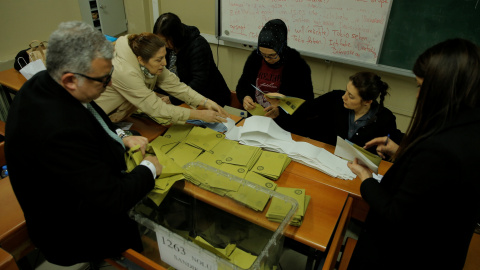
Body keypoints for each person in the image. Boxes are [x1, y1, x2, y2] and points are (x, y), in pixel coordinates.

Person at [5, 21, 163, 266]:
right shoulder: (58, 130)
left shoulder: (49, 83)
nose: (109, 84)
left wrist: (122, 137)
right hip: (70, 232)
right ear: (70, 79)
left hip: (73, 197)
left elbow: (92, 112)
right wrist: (150, 168)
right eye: (103, 79)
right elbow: (113, 198)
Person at [346, 39, 480, 269]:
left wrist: (366, 178)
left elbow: (395, 215)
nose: (418, 96)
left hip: (405, 255)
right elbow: (433, 185)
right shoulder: (469, 127)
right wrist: (401, 152)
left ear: (444, 89)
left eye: (421, 87)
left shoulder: (440, 150)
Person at [95, 32, 228, 125]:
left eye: (165, 56)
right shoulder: (124, 72)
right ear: (141, 60)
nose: (164, 63)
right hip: (98, 119)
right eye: (159, 59)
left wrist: (205, 102)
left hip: (118, 116)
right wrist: (199, 115)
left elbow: (177, 86)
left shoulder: (147, 60)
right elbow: (156, 108)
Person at [279, 71, 403, 153]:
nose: (344, 97)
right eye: (346, 91)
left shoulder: (385, 119)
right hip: (323, 158)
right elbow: (305, 109)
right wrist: (281, 104)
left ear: (367, 101)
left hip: (355, 172)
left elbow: (393, 146)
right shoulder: (335, 99)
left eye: (351, 96)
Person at [235, 18, 314, 131]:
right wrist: (245, 97)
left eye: (272, 55)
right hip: (256, 119)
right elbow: (243, 85)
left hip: (284, 126)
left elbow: (306, 103)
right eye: (263, 54)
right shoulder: (255, 59)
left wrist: (280, 111)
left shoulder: (298, 66)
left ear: (281, 48)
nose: (267, 59)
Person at [152, 12, 231, 107]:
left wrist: (173, 99)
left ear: (175, 36)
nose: (163, 45)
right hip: (183, 97)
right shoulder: (168, 47)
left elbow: (199, 82)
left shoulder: (198, 45)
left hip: (209, 99)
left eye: (165, 41)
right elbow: (166, 73)